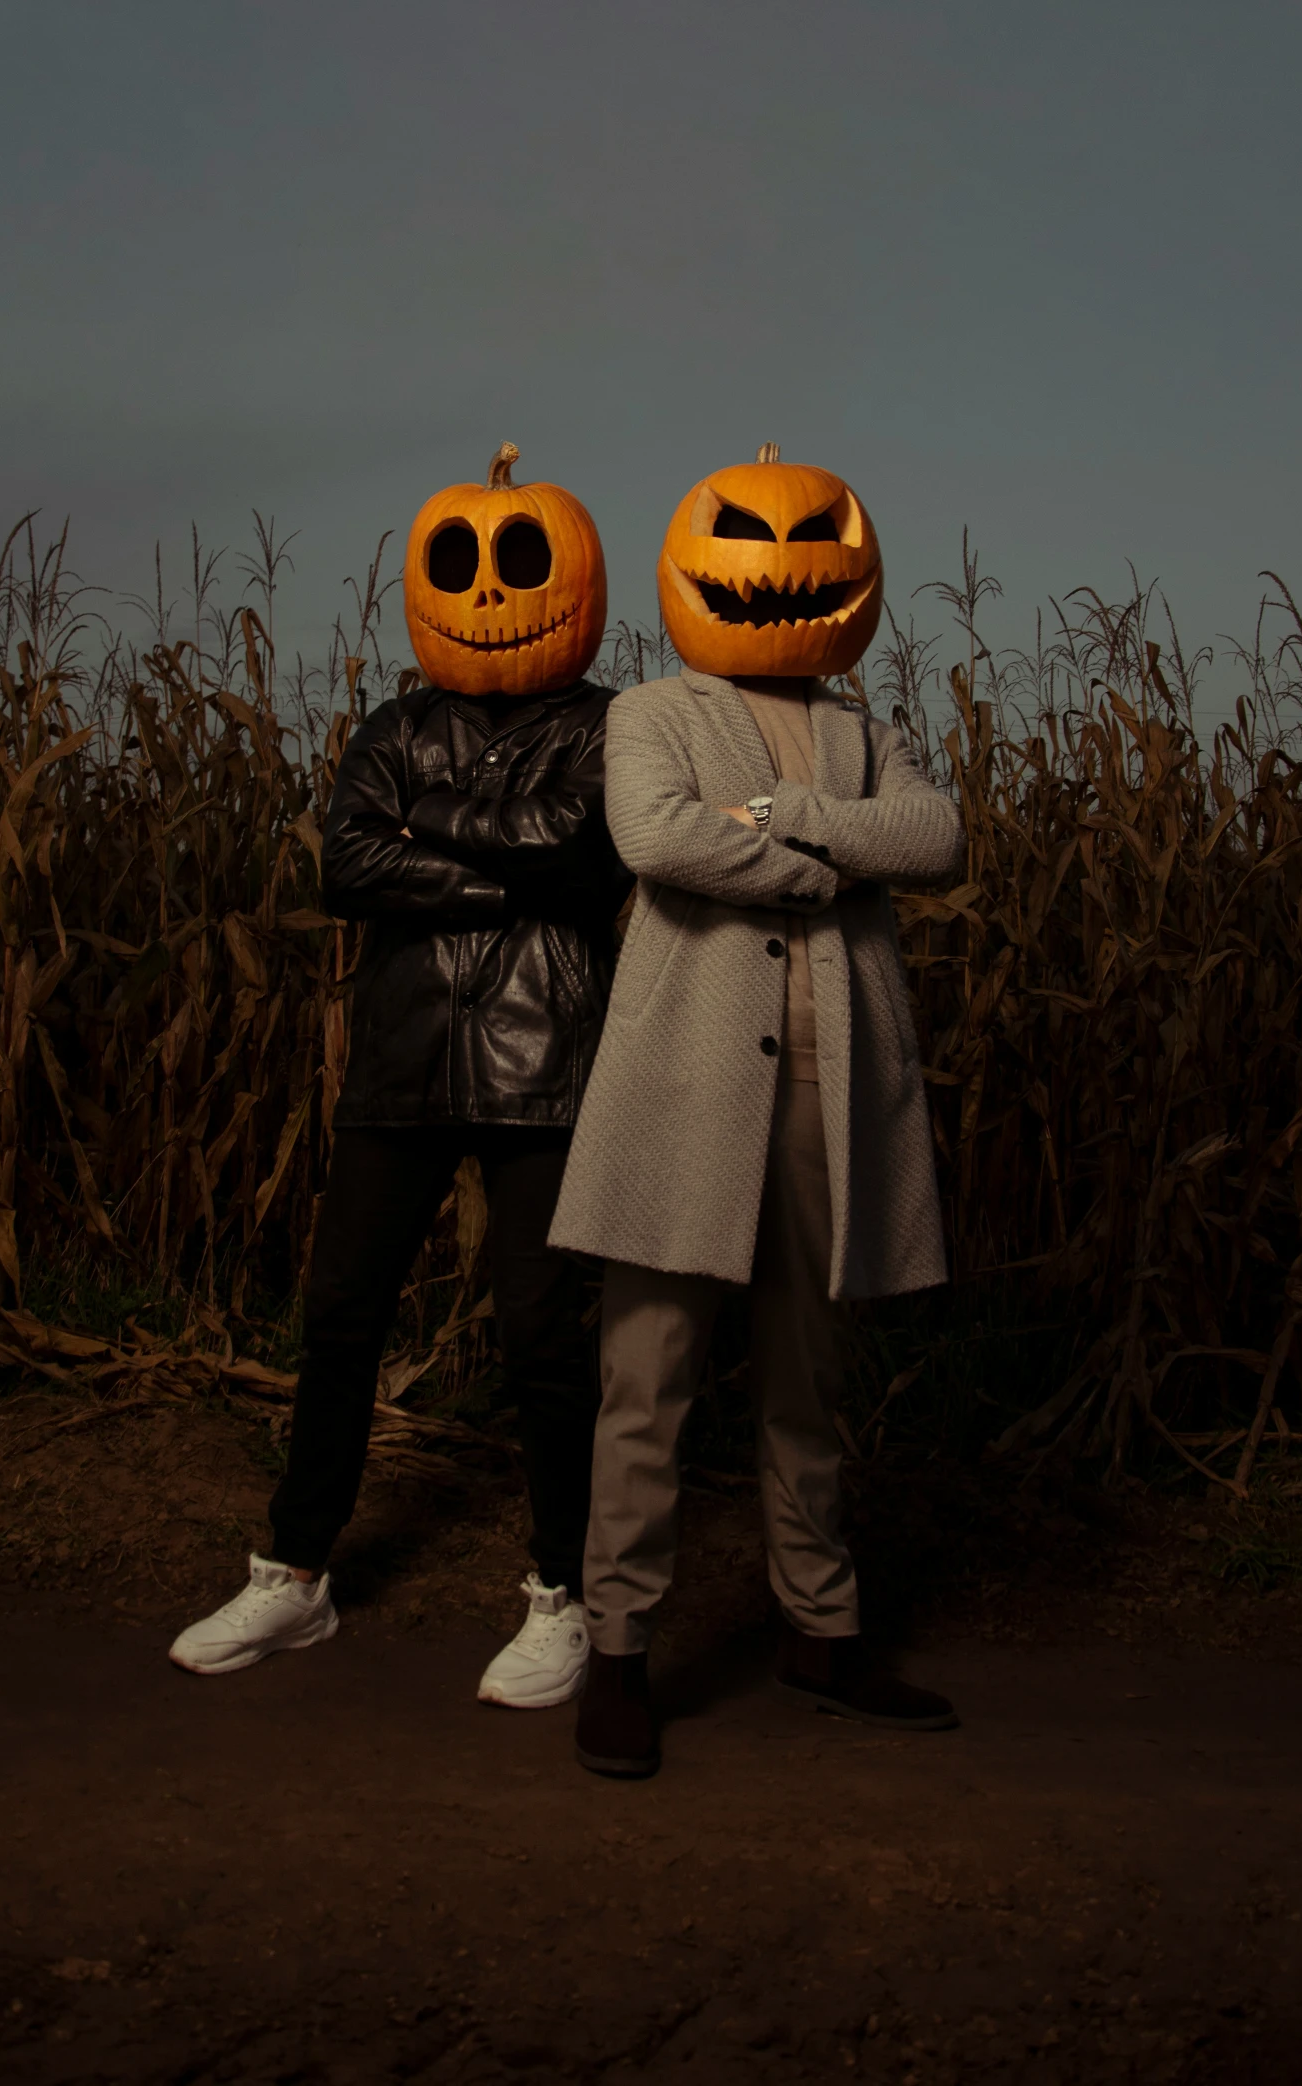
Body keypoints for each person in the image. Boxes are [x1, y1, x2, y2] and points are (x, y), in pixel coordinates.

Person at [171, 445, 627, 1706]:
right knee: (341, 1318)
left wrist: (428, 831)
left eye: (521, 563)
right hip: (404, 1055)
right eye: (461, 565)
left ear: (572, 584)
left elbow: (581, 852)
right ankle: (295, 1575)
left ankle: (563, 1595)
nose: (489, 592)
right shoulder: (392, 724)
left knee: (543, 1335)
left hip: (546, 1060)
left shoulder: (607, 724)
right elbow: (344, 868)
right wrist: (500, 876)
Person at [550, 444, 964, 1776]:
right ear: (694, 566)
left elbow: (936, 837)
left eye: (816, 544)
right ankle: (616, 1653)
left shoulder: (861, 728)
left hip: (827, 1094)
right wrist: (824, 865)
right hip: (683, 1088)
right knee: (646, 1381)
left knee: (807, 1380)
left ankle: (819, 1629)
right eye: (746, 539)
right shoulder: (653, 711)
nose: (784, 566)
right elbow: (659, 836)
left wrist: (790, 816)